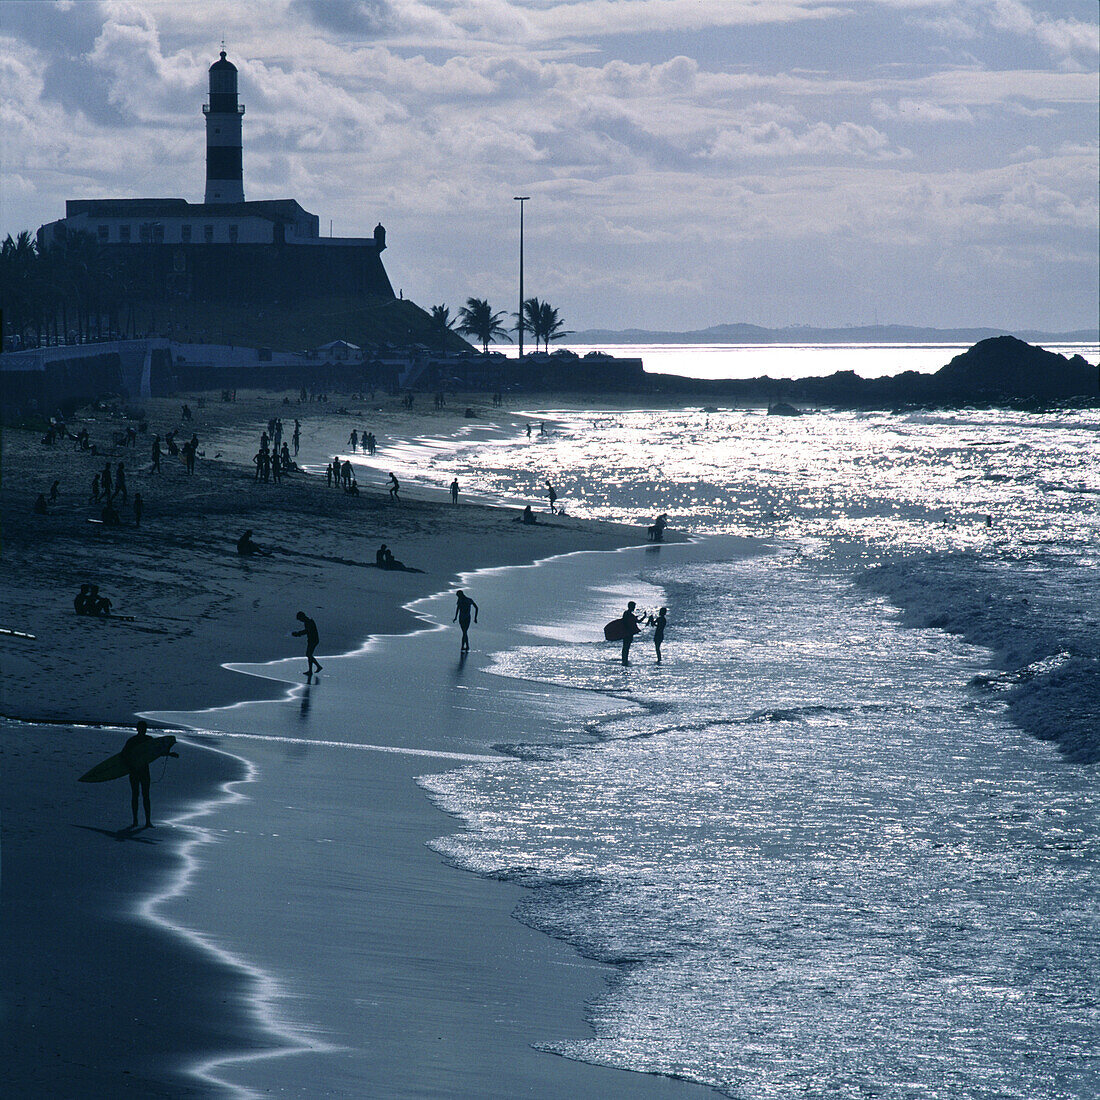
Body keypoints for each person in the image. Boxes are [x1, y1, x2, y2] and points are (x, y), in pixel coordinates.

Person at [121, 721, 161, 829]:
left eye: (145, 728)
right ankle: (136, 821)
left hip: (142, 771)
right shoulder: (132, 741)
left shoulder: (148, 740)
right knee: (136, 796)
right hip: (136, 771)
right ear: (138, 729)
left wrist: (169, 753)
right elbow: (123, 755)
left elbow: (157, 751)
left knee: (145, 796)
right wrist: (130, 767)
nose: (144, 730)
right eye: (142, 728)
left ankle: (147, 821)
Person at [293, 611, 323, 677]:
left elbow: (307, 631)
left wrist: (298, 634)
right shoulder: (308, 621)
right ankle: (313, 669)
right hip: (313, 640)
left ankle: (316, 667)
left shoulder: (308, 622)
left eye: (299, 619)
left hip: (313, 640)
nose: (300, 620)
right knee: (309, 654)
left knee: (308, 654)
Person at [619, 600, 642, 665]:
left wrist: (643, 617)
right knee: (626, 647)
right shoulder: (629, 614)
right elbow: (627, 622)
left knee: (626, 647)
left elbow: (637, 621)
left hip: (627, 633)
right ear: (630, 607)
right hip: (628, 633)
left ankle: (624, 659)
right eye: (634, 606)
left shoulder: (627, 613)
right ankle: (624, 660)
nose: (634, 608)